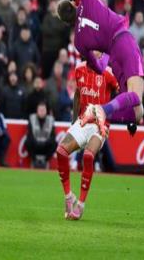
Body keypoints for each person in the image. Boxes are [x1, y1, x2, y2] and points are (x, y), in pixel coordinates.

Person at [46, 0, 144, 137]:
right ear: (74, 3)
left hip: (114, 55)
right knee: (136, 96)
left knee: (137, 112)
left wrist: (107, 55)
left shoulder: (79, 42)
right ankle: (102, 110)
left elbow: (99, 68)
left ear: (66, 22)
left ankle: (112, 115)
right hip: (124, 41)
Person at [56, 58, 118, 220]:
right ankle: (69, 197)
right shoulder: (79, 69)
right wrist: (74, 122)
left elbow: (121, 94)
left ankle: (81, 204)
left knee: (88, 156)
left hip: (99, 125)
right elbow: (78, 94)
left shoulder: (108, 73)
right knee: (61, 151)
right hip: (82, 121)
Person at [25, 101, 56, 169]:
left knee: (54, 143)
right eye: (40, 110)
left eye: (43, 110)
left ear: (46, 111)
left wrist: (45, 143)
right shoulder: (32, 118)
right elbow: (29, 135)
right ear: (37, 110)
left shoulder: (51, 120)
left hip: (46, 145)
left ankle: (45, 161)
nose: (42, 112)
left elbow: (53, 136)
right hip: (35, 144)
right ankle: (34, 160)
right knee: (27, 142)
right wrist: (36, 142)